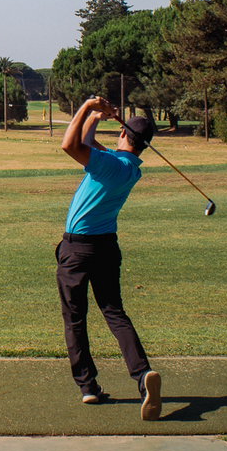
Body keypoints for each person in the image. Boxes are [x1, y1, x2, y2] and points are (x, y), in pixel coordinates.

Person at [57, 95, 162, 420]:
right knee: (114, 313)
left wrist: (88, 108)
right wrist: (101, 116)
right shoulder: (129, 167)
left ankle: (88, 386)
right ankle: (143, 376)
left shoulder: (109, 164)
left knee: (75, 317)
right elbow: (88, 142)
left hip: (78, 249)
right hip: (106, 248)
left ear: (123, 135)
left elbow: (69, 144)